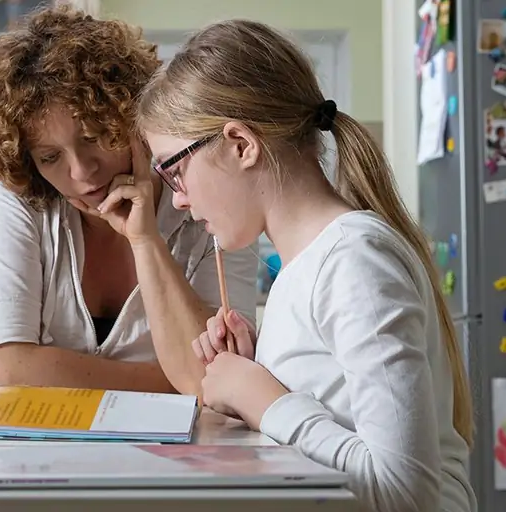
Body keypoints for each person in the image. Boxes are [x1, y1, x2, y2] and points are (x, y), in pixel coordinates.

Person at [103, 19, 474, 512]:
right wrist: (257, 371)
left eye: (174, 170)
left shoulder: (355, 262)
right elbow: (335, 415)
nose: (181, 199)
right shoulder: (306, 266)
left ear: (240, 144)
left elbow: (406, 494)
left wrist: (267, 400)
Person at [0, 5, 258, 393]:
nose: (81, 172)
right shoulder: (14, 206)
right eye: (50, 157)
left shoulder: (212, 209)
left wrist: (146, 241)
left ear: (131, 116)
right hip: (35, 448)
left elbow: (225, 377)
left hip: (170, 451)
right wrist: (171, 380)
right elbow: (6, 371)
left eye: (95, 136)